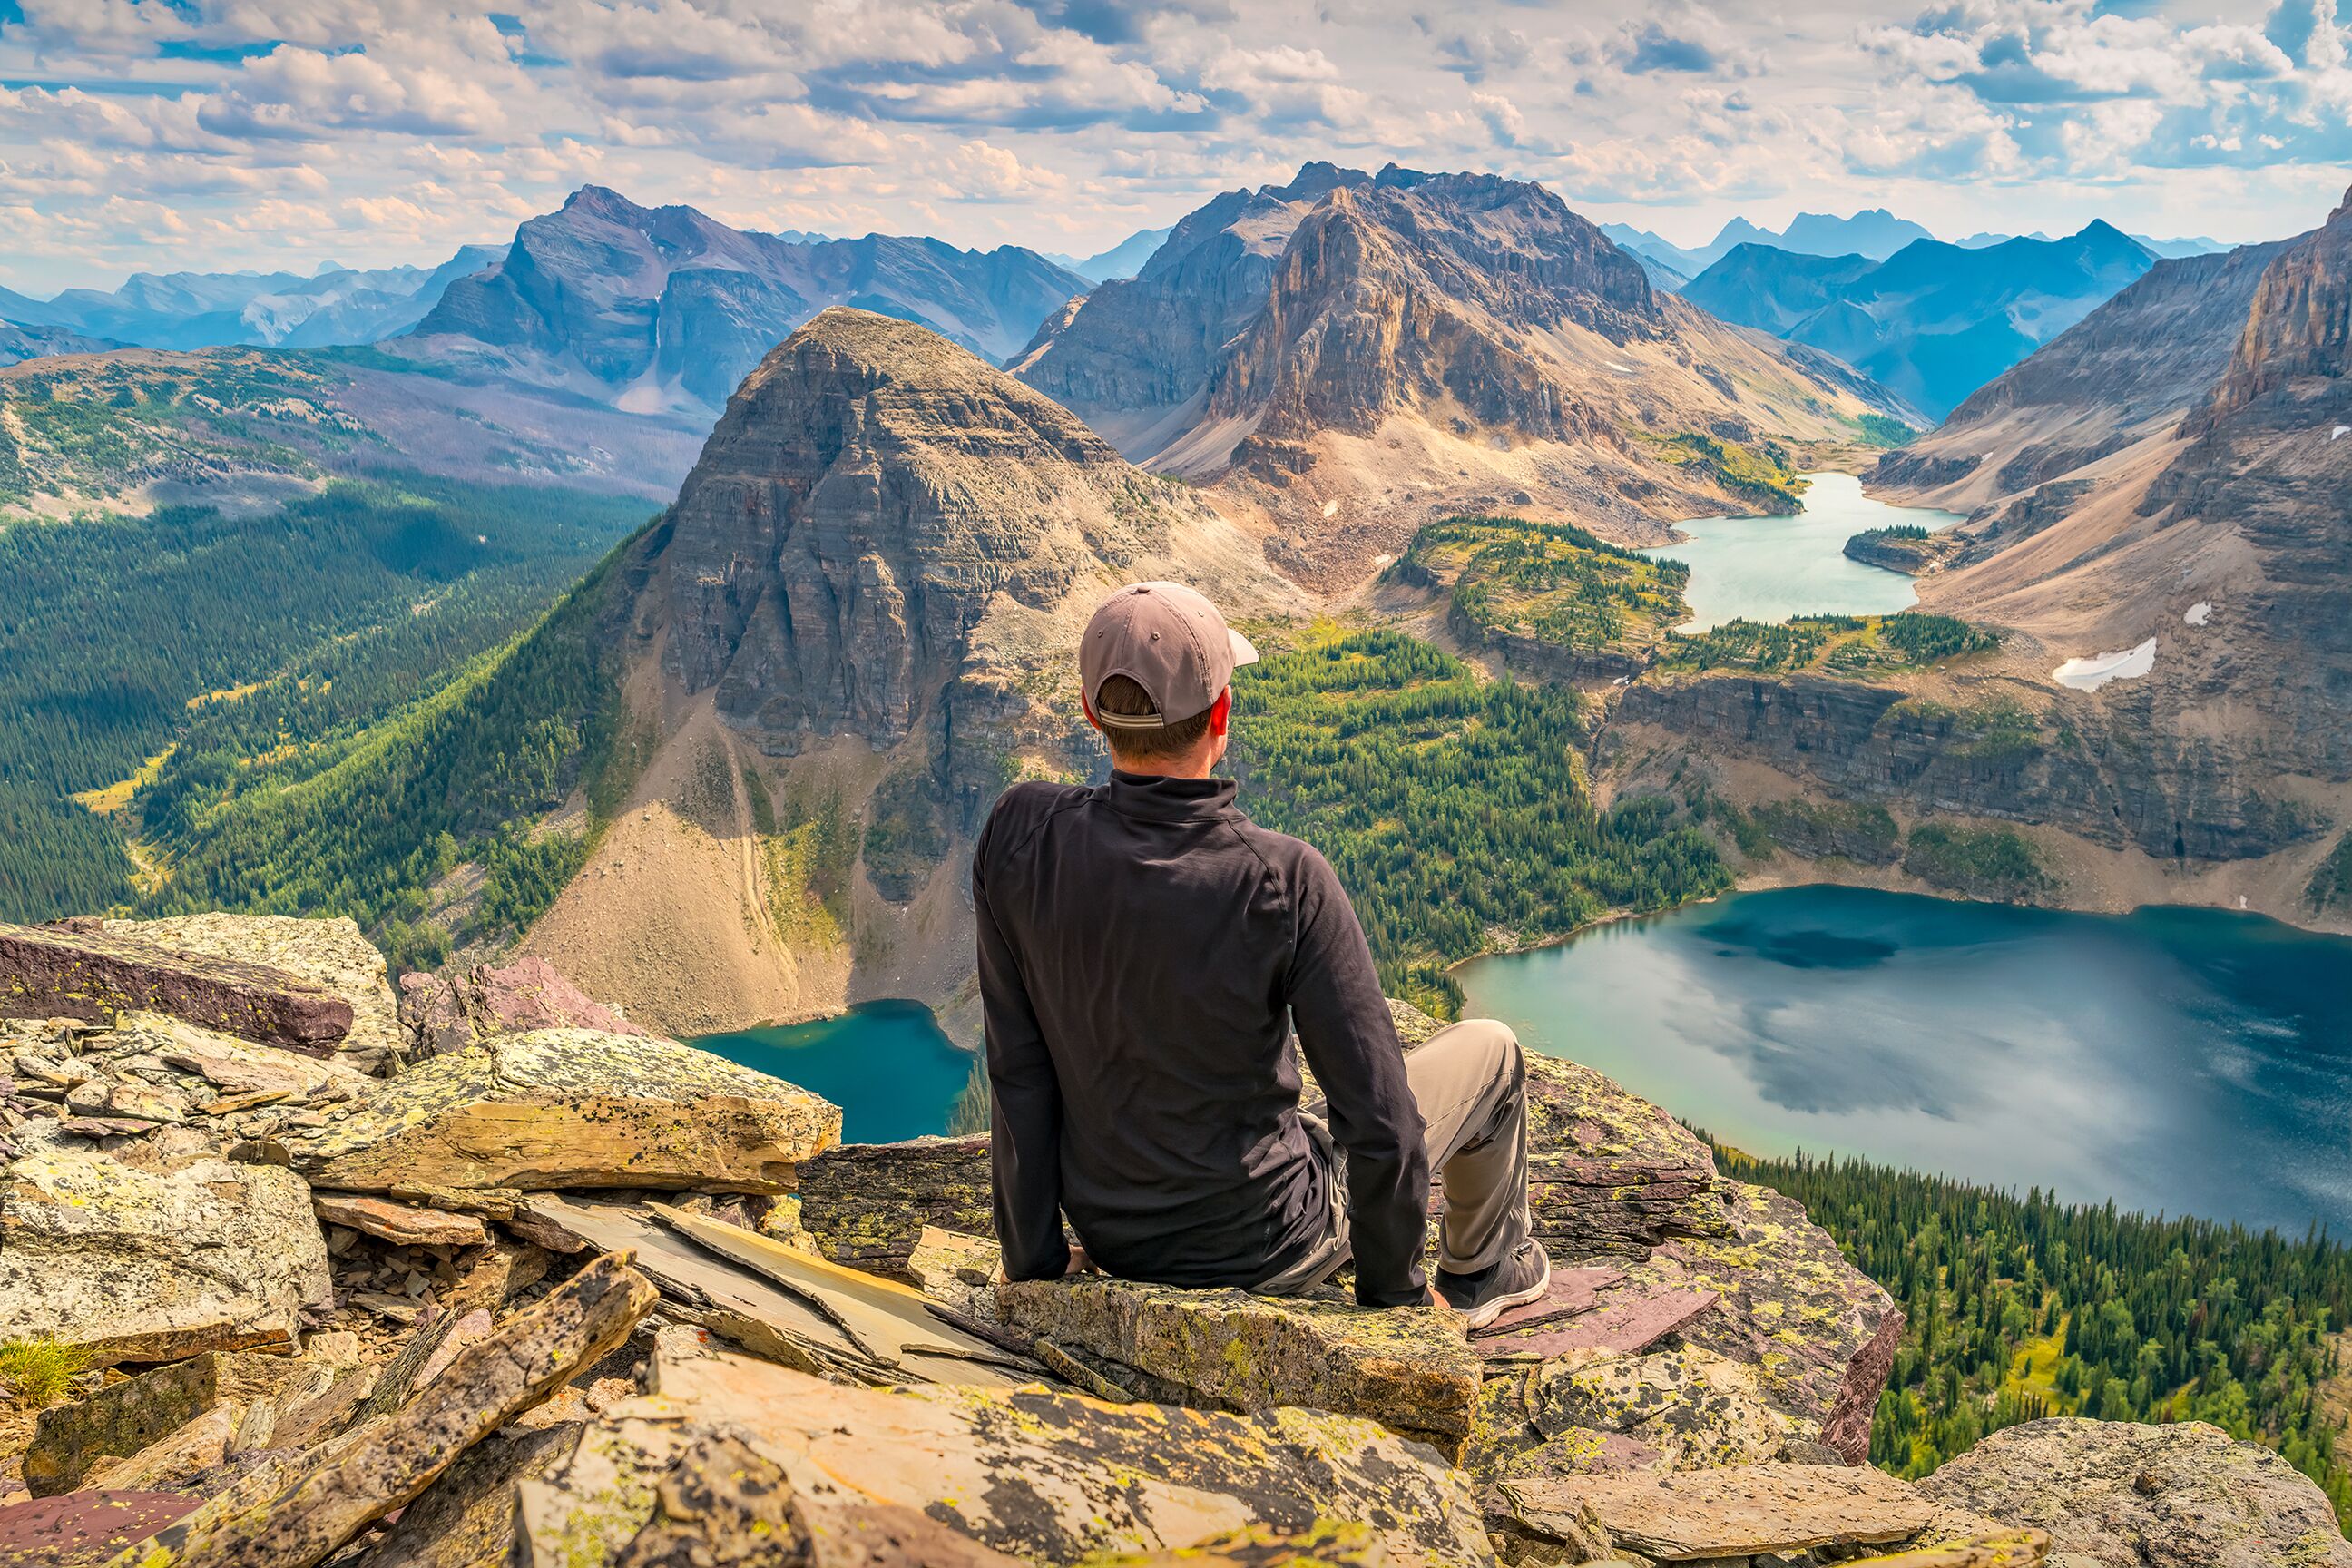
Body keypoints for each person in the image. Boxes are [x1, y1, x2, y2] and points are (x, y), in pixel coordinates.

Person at [973, 580, 1551, 1326]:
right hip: (1272, 1246)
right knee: (1493, 1050)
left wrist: (1035, 1264)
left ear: (1092, 714)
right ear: (1221, 716)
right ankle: (1482, 1271)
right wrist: (1394, 1302)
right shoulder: (1283, 878)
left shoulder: (1018, 835)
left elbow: (1018, 1071)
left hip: (1117, 1238)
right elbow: (1381, 1122)